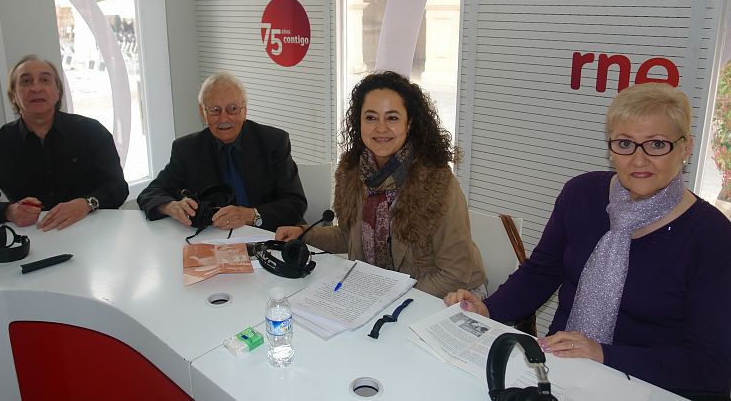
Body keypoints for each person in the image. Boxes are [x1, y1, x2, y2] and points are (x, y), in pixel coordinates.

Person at [444, 82, 731, 400]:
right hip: (560, 367)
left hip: (655, 387)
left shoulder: (713, 237)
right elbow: (540, 273)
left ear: (686, 148)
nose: (638, 160)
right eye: (625, 143)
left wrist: (602, 354)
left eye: (657, 145)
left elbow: (712, 365)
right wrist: (488, 309)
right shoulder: (581, 194)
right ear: (611, 148)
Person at [276, 71, 485, 299]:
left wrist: (391, 298)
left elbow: (455, 274)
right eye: (371, 117)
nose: (381, 128)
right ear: (359, 122)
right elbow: (350, 237)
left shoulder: (437, 182)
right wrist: (304, 234)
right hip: (381, 293)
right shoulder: (352, 172)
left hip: (448, 295)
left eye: (392, 118)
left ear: (409, 124)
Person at [0, 55, 128, 230]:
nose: (36, 88)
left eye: (45, 80)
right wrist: (8, 211)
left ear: (57, 91)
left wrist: (86, 203)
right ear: (13, 96)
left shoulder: (91, 132)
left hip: (91, 234)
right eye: (26, 81)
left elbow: (118, 187)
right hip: (34, 242)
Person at [137, 72, 306, 232]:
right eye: (215, 110)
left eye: (232, 108)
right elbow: (150, 193)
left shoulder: (273, 142)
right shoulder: (187, 149)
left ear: (244, 110)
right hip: (216, 239)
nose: (224, 119)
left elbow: (295, 203)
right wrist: (170, 206)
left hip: (271, 235)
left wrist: (250, 215)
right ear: (202, 113)